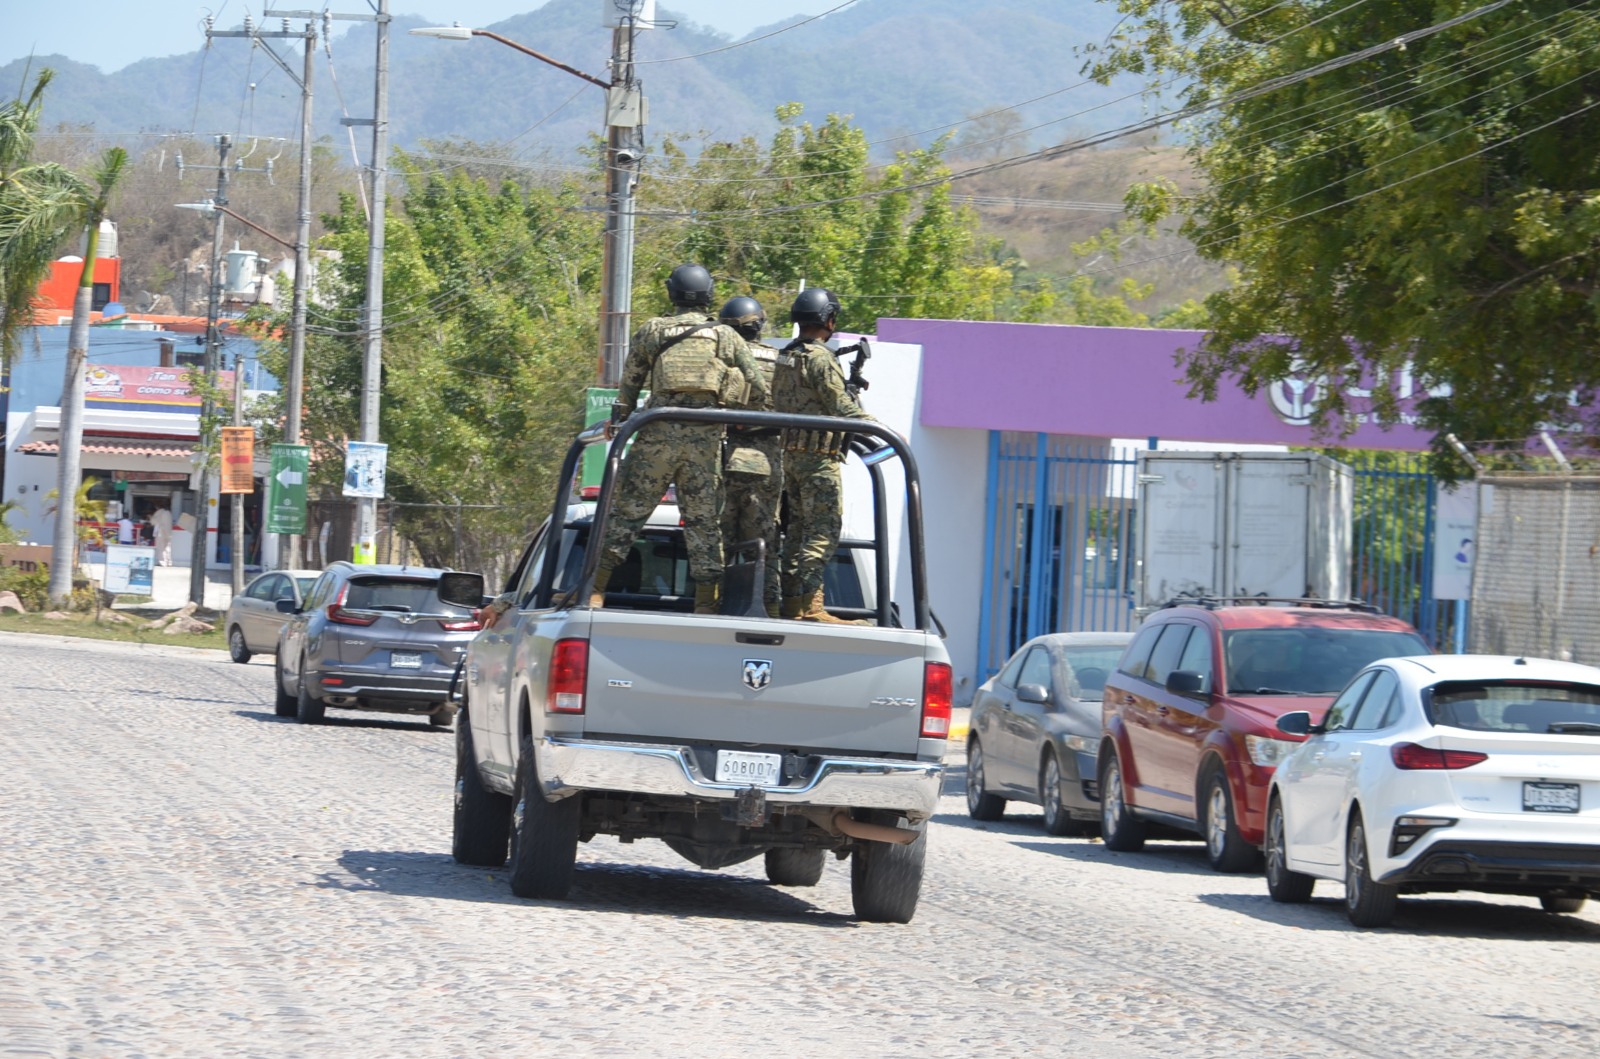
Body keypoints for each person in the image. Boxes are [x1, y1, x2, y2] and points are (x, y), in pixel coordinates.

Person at [590, 264, 768, 615]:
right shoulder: (726, 336)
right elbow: (758, 389)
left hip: (656, 437)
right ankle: (706, 604)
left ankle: (595, 590)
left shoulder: (653, 330)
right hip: (703, 446)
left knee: (626, 514)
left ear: (672, 292)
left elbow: (630, 385)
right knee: (703, 524)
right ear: (708, 295)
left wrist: (619, 420)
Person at [774, 288, 874, 623]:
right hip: (817, 457)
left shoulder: (786, 355)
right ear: (828, 319)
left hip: (791, 456)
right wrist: (875, 426)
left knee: (798, 531)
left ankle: (792, 604)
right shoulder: (819, 358)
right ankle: (812, 607)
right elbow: (839, 405)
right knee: (823, 530)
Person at [716, 296, 785, 618]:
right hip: (765, 460)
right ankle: (768, 609)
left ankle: (712, 607)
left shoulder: (717, 357)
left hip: (721, 457)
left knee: (717, 540)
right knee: (765, 545)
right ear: (759, 324)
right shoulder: (781, 360)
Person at [149, 502, 174, 567]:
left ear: (157, 507)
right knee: (167, 547)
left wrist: (150, 517)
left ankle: (162, 562)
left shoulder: (159, 513)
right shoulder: (169, 513)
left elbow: (153, 522)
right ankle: (169, 562)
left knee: (161, 547)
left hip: (161, 533)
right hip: (168, 533)